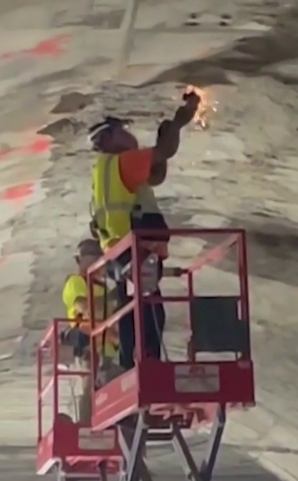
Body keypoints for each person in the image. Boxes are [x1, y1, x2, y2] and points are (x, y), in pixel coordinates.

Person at [87, 90, 200, 369]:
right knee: (149, 313)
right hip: (135, 253)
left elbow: (156, 174)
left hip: (118, 255)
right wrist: (181, 119)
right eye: (122, 131)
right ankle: (148, 365)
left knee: (132, 310)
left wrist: (164, 139)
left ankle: (131, 364)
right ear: (109, 140)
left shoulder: (104, 172)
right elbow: (165, 152)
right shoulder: (124, 161)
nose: (129, 135)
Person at [60, 239, 120, 423]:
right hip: (88, 345)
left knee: (114, 386)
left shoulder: (103, 288)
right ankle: (85, 427)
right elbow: (85, 307)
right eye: (93, 257)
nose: (97, 262)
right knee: (89, 386)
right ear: (81, 260)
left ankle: (110, 425)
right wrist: (112, 300)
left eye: (98, 258)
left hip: (107, 348)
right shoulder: (76, 282)